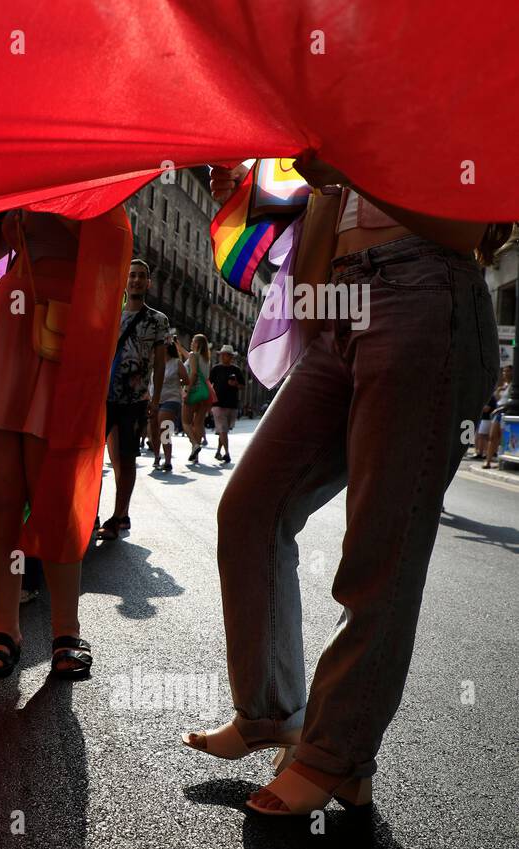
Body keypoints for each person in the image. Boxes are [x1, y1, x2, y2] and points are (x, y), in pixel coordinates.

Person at [184, 155, 506, 815]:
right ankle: (273, 714)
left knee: (380, 548)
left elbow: (467, 229)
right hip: (338, 300)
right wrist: (252, 196)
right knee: (251, 509)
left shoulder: (466, 75)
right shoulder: (347, 81)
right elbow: (317, 203)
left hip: (427, 292)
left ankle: (337, 754)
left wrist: (352, 167)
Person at [0, 205, 131, 680]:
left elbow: (109, 243)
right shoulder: (11, 173)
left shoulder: (95, 174)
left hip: (66, 335)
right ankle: (4, 629)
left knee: (57, 493)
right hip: (4, 327)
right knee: (2, 496)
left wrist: (51, 191)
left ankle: (67, 632)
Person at [99, 260, 168, 539]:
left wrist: (156, 399)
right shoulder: (110, 314)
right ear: (125, 281)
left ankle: (119, 516)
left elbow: (161, 364)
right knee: (93, 459)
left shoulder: (158, 320)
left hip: (134, 400)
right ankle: (88, 515)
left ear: (148, 283)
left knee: (125, 460)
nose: (137, 280)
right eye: (132, 276)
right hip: (103, 398)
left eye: (142, 276)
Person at [149, 339, 188, 472]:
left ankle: (167, 460)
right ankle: (156, 456)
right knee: (153, 430)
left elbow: (186, 380)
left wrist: (175, 382)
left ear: (167, 348)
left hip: (171, 399)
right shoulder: (155, 363)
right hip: (155, 399)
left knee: (164, 428)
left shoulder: (176, 363)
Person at [178, 334, 213, 464]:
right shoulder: (205, 358)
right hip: (205, 393)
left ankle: (194, 445)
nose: (191, 343)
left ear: (197, 344)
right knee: (198, 424)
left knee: (185, 423)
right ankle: (196, 456)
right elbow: (189, 356)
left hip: (193, 391)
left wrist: (187, 390)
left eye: (193, 341)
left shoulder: (194, 355)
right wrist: (179, 346)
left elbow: (193, 373)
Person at [208, 345, 244, 464]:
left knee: (224, 430)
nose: (223, 357)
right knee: (223, 429)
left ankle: (218, 451)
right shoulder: (215, 369)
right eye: (222, 354)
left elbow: (243, 386)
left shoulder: (236, 370)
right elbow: (209, 384)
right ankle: (227, 454)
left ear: (231, 357)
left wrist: (236, 384)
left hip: (231, 404)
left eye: (226, 355)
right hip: (217, 404)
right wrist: (208, 401)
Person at [482, 365, 513, 469]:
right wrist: (499, 390)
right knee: (492, 437)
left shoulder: (513, 386)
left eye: (508, 371)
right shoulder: (504, 385)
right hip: (497, 412)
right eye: (504, 371)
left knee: (502, 439)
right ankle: (488, 461)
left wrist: (498, 409)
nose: (505, 373)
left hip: (505, 412)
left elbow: (510, 402)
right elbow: (498, 399)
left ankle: (500, 461)